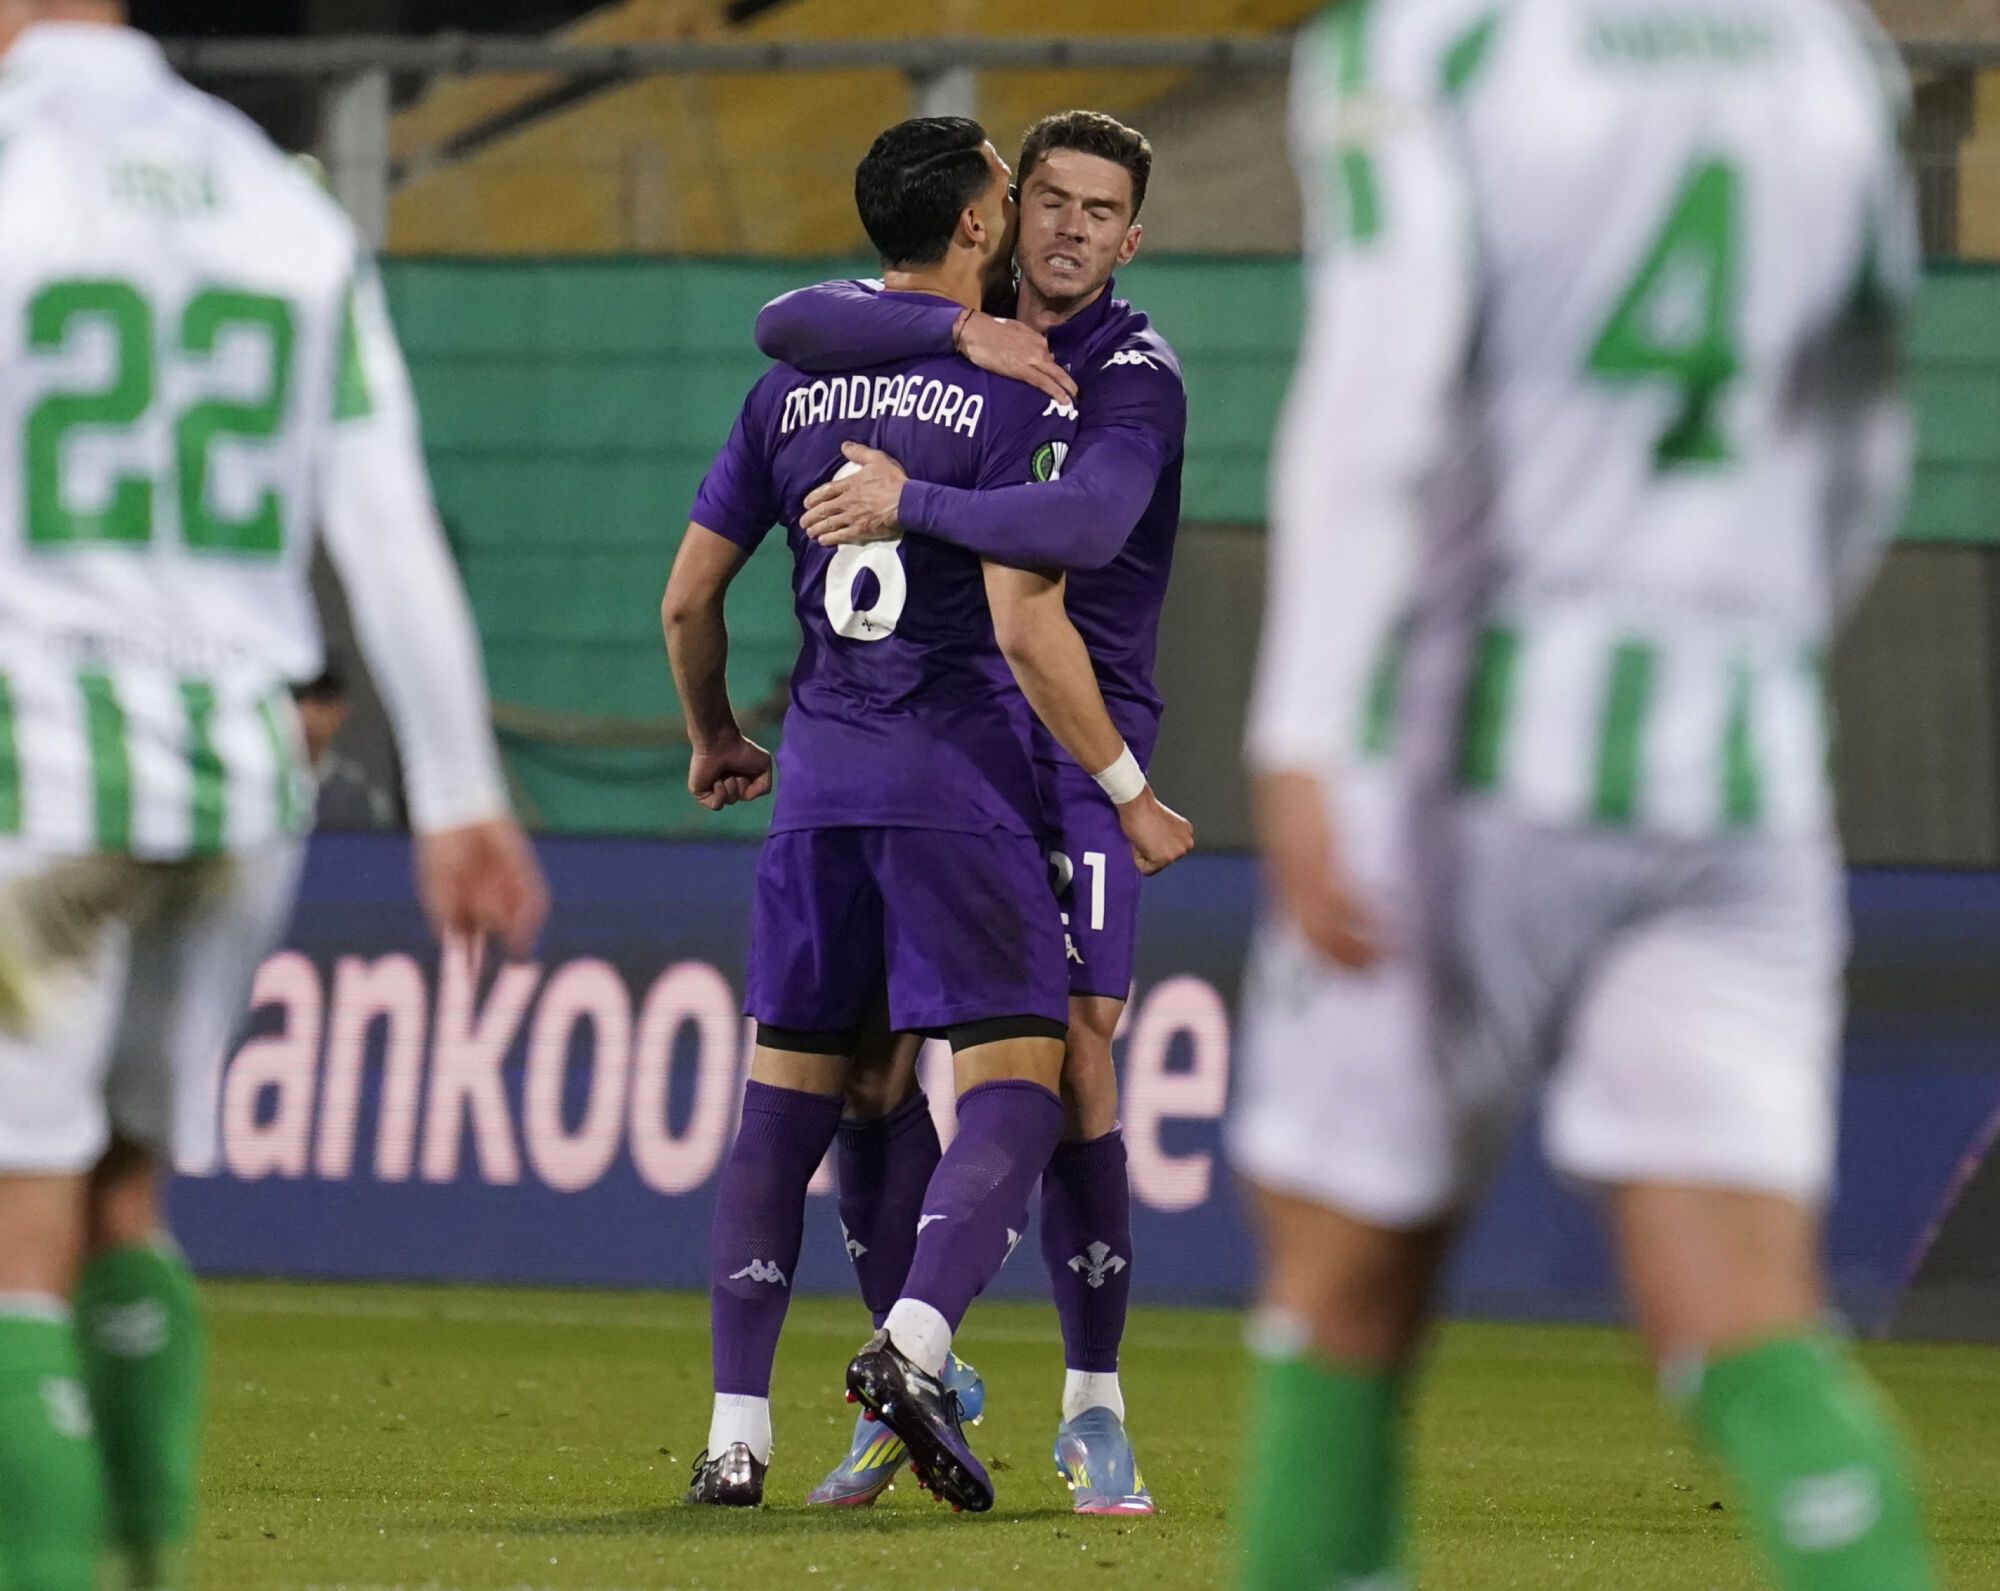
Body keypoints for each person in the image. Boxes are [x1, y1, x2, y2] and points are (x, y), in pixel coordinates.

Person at [1230, 0, 1934, 1585]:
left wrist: (1302, 730)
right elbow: (1872, 422)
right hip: (1741, 757)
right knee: (1752, 1321)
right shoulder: (1826, 48)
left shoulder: (1432, 39)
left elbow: (1377, 395)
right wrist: (1752, 643)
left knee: (1339, 1291)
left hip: (1467, 751)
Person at [0, 5, 547, 1588]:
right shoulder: (278, 198)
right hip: (242, 776)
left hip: (39, 764)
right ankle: (150, 1555)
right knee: (124, 1192)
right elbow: (382, 525)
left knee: (14, 1243)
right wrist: (459, 791)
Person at [660, 115, 1192, 1515]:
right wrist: (953, 345)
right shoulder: (958, 340)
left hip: (1068, 752)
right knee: (880, 1079)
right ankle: (911, 1378)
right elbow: (793, 314)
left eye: (1100, 212)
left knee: (1074, 1050)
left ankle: (1093, 1406)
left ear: (1131, 239)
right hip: (952, 752)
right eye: (1050, 202)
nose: (1069, 229)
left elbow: (1078, 538)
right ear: (1004, 222)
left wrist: (913, 497)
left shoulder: (1129, 372)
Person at [293, 665, 400, 830]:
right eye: (299, 700)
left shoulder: (356, 794)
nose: (309, 713)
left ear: (340, 712)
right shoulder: (257, 783)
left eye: (322, 701)